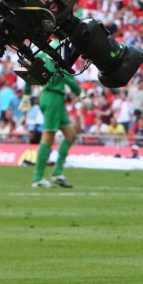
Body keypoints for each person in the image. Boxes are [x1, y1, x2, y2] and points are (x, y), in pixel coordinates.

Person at [31, 47, 82, 189]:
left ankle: (57, 172)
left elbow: (30, 71)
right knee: (48, 136)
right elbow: (67, 77)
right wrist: (81, 94)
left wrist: (27, 94)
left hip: (54, 98)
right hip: (53, 96)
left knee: (70, 135)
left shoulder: (42, 51)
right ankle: (37, 178)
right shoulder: (60, 50)